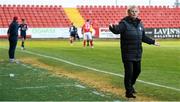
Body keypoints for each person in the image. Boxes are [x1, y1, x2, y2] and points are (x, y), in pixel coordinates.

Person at [109, 5, 160, 98]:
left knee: (137, 71)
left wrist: (153, 42)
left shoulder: (140, 24)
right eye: (132, 11)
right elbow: (117, 30)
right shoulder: (124, 23)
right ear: (128, 13)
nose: (134, 13)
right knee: (129, 73)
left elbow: (143, 37)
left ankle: (130, 86)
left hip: (137, 52)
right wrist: (112, 27)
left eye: (136, 11)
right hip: (127, 53)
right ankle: (128, 92)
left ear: (138, 12)